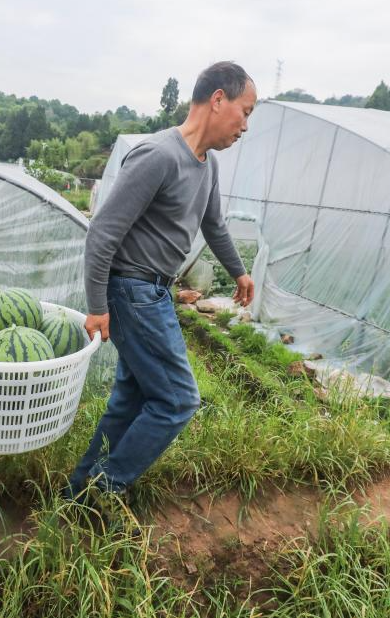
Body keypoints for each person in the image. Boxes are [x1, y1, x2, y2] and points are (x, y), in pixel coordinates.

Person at [64, 61, 256, 517]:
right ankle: (104, 490)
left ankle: (78, 492)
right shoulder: (158, 156)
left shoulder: (205, 165)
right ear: (217, 100)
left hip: (153, 292)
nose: (245, 126)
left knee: (131, 399)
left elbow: (214, 225)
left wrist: (240, 272)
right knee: (177, 399)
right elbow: (103, 233)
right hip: (132, 291)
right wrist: (97, 307)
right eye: (244, 112)